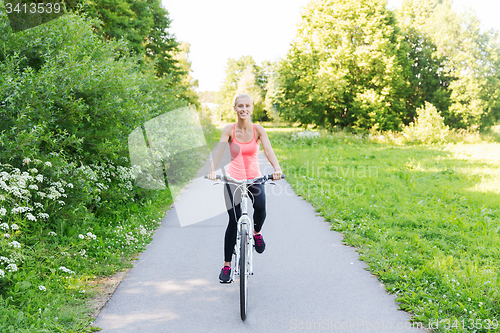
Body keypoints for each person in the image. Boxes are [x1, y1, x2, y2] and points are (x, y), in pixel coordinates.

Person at [206, 93, 282, 283]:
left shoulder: (258, 130)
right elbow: (219, 150)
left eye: (247, 106)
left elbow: (268, 150)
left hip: (254, 178)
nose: (244, 109)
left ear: (252, 108)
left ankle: (257, 233)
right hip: (233, 179)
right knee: (233, 220)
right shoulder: (229, 130)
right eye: (240, 106)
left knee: (261, 208)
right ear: (234, 108)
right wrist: (212, 170)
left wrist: (277, 168)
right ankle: (226, 265)